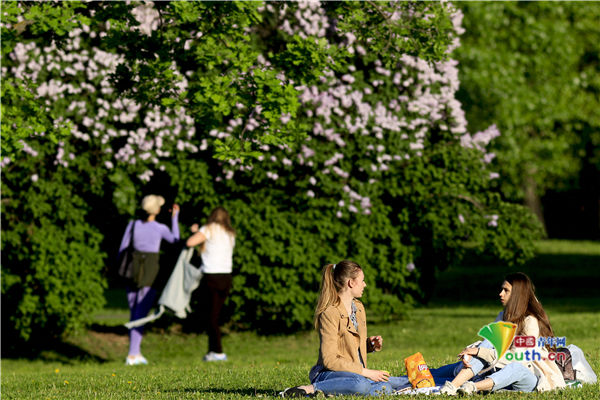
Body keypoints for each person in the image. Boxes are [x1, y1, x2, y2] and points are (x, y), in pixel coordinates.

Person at [281, 260, 409, 397]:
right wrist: (367, 372)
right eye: (362, 281)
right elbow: (329, 360)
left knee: (385, 387)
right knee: (362, 384)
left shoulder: (359, 308)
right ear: (351, 283)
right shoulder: (329, 313)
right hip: (329, 374)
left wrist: (369, 345)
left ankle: (335, 393)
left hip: (354, 374)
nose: (365, 285)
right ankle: (310, 389)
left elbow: (348, 347)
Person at [439, 272, 566, 395]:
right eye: (502, 289)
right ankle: (450, 384)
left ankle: (471, 387)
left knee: (514, 367)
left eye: (506, 290)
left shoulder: (530, 322)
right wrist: (470, 353)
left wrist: (479, 352)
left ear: (517, 294)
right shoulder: (503, 316)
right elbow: (490, 346)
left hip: (528, 376)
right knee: (486, 344)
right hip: (500, 370)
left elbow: (518, 358)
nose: (500, 294)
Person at [118, 194, 180, 366]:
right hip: (150, 268)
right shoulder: (159, 228)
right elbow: (175, 240)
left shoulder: (133, 225)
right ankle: (132, 354)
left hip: (132, 267)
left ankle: (135, 352)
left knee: (134, 311)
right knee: (141, 312)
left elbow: (122, 248)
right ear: (156, 210)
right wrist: (175, 219)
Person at [186, 206, 236, 362]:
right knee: (215, 315)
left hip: (211, 276)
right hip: (226, 276)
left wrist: (195, 232)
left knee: (211, 316)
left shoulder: (208, 229)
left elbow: (190, 243)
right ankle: (212, 350)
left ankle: (217, 351)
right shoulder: (230, 233)